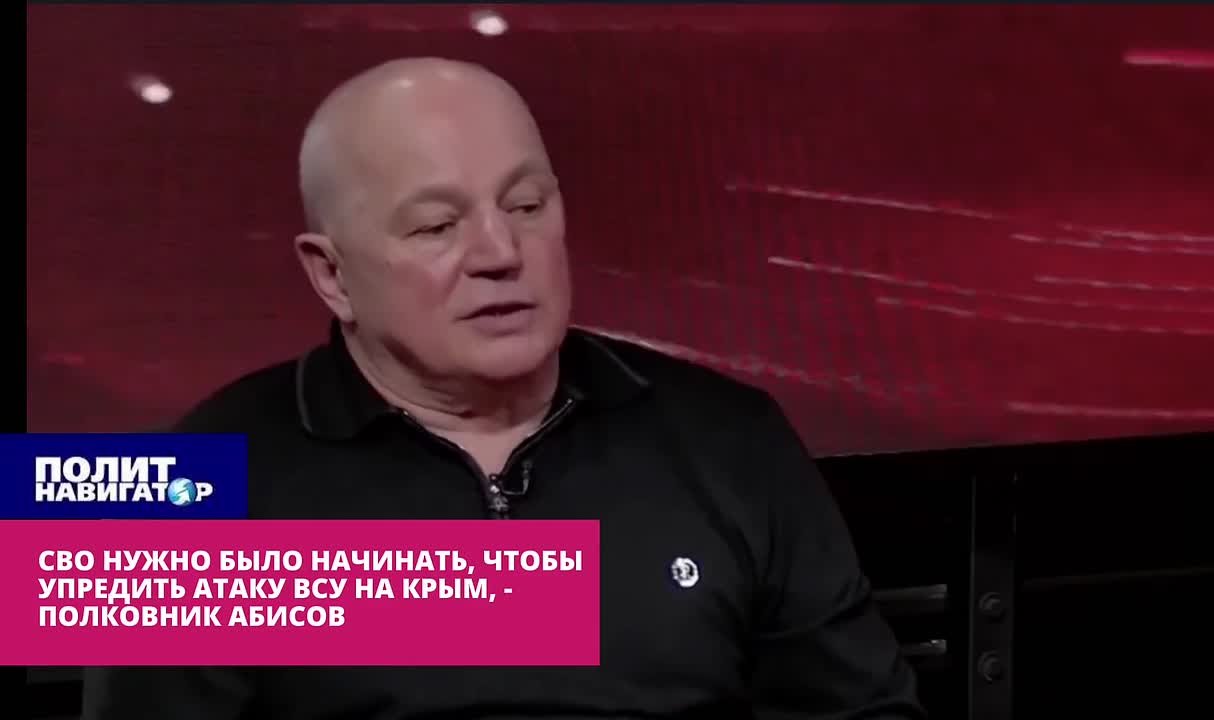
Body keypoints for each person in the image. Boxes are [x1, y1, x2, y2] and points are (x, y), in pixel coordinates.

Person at [83, 58, 924, 719]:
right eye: (437, 225)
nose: (499, 253)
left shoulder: (729, 439)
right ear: (332, 275)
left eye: (525, 206)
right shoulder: (194, 485)